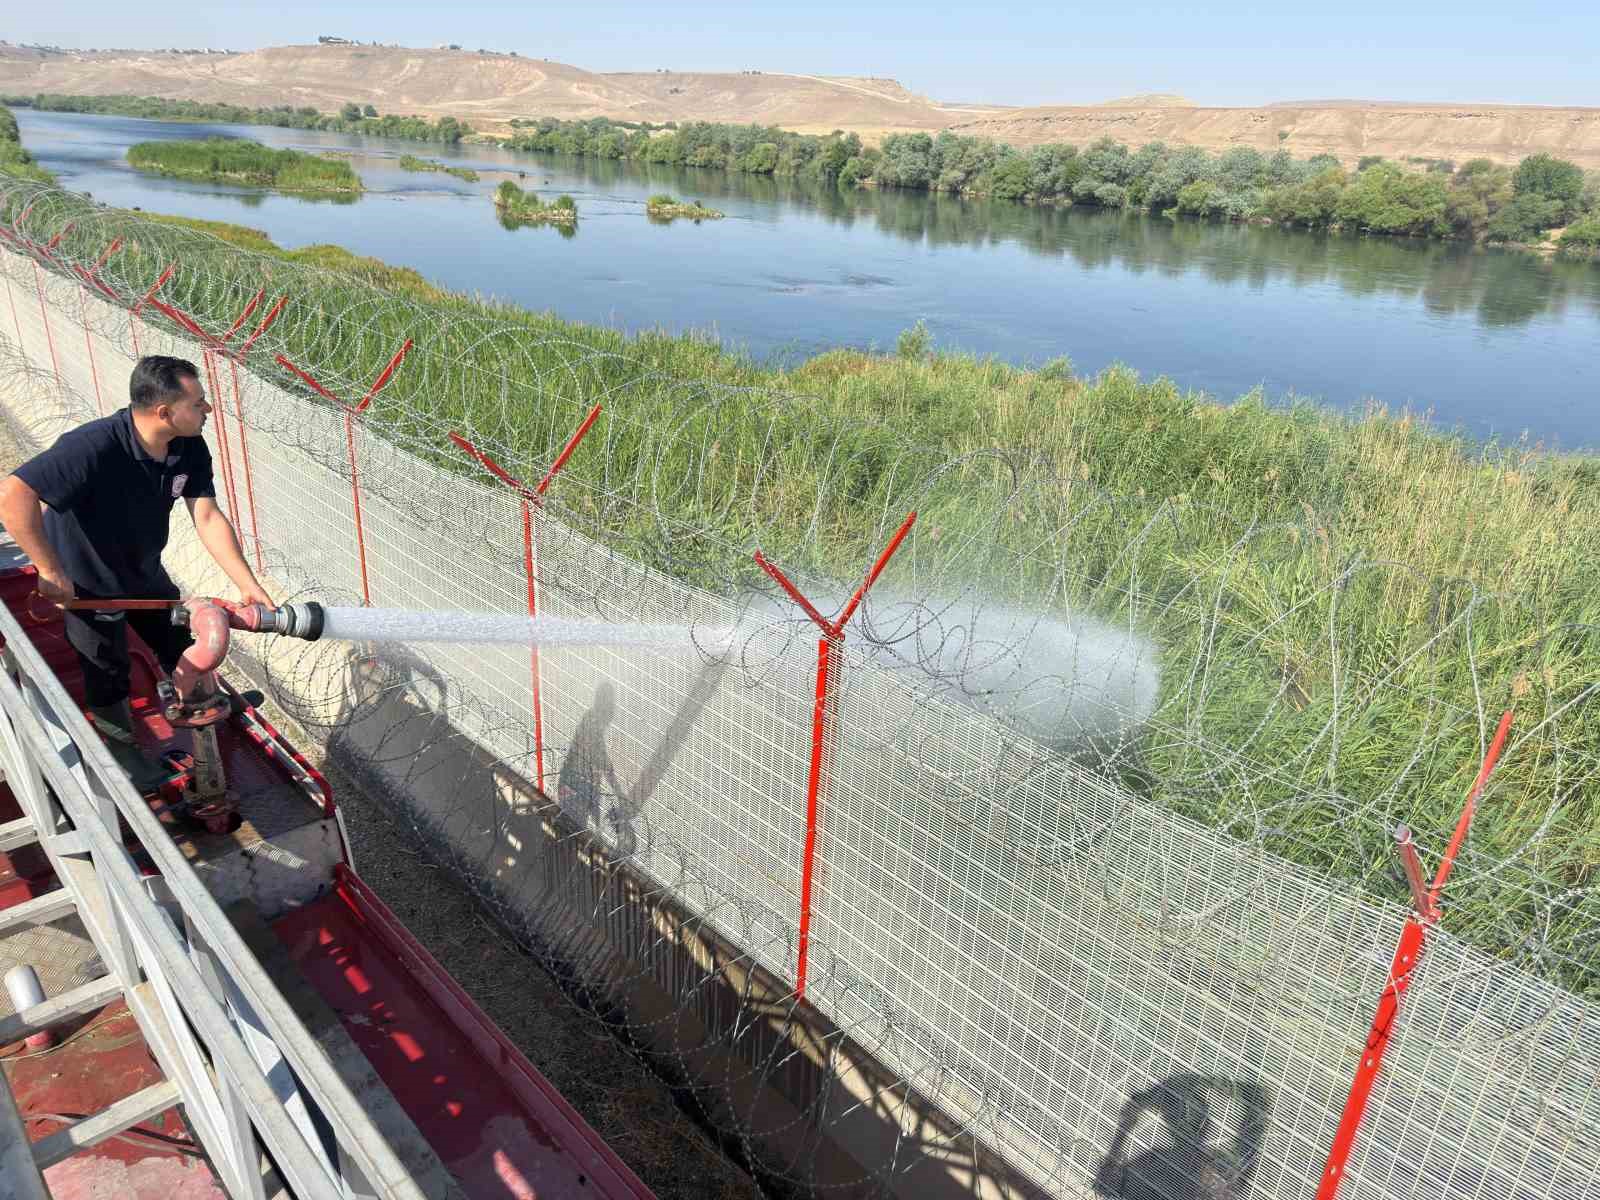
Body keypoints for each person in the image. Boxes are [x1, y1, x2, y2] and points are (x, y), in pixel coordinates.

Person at [0, 356, 273, 791]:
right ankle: (121, 752)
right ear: (164, 412)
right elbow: (14, 493)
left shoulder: (188, 447)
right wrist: (50, 571)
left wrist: (248, 585)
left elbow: (206, 516)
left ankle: (202, 703)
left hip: (143, 571)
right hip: (88, 583)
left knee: (176, 639)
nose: (207, 411)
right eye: (199, 403)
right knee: (106, 667)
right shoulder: (94, 447)